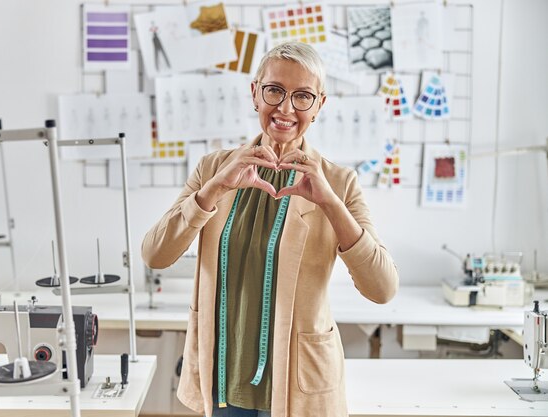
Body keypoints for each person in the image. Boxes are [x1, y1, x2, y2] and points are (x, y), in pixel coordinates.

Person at [142, 41, 398, 417]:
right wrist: (214, 189)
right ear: (255, 93)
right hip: (225, 379)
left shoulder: (339, 183)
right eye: (275, 90)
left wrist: (330, 203)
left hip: (299, 384)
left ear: (320, 106)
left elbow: (383, 288)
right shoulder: (214, 168)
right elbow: (155, 255)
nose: (285, 108)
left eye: (303, 96)